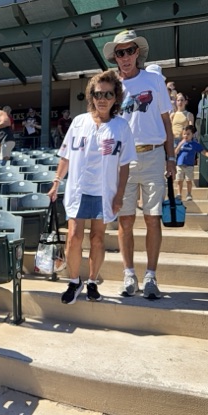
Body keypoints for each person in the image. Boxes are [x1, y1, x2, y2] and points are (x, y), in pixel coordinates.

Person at [49, 70, 132, 304]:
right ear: (91, 96)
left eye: (108, 94)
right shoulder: (79, 122)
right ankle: (74, 281)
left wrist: (119, 196)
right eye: (98, 94)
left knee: (97, 238)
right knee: (74, 237)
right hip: (79, 189)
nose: (102, 99)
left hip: (104, 191)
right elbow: (65, 156)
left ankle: (92, 282)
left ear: (116, 97)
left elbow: (125, 165)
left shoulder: (121, 127)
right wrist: (56, 182)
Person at [107, 30, 176, 300]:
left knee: (152, 218)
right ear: (115, 56)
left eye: (129, 51)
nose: (125, 57)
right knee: (125, 220)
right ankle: (128, 274)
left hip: (153, 155)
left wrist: (171, 157)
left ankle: (150, 276)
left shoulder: (155, 80)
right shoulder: (112, 85)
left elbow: (166, 122)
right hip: (122, 159)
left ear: (138, 52)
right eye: (120, 52)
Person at [178, 125, 201, 201]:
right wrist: (180, 144)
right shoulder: (180, 143)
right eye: (184, 134)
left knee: (188, 180)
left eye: (188, 134)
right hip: (180, 164)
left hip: (189, 165)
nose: (186, 136)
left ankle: (189, 194)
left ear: (192, 135)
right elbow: (175, 152)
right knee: (179, 180)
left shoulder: (194, 144)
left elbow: (202, 151)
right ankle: (179, 194)